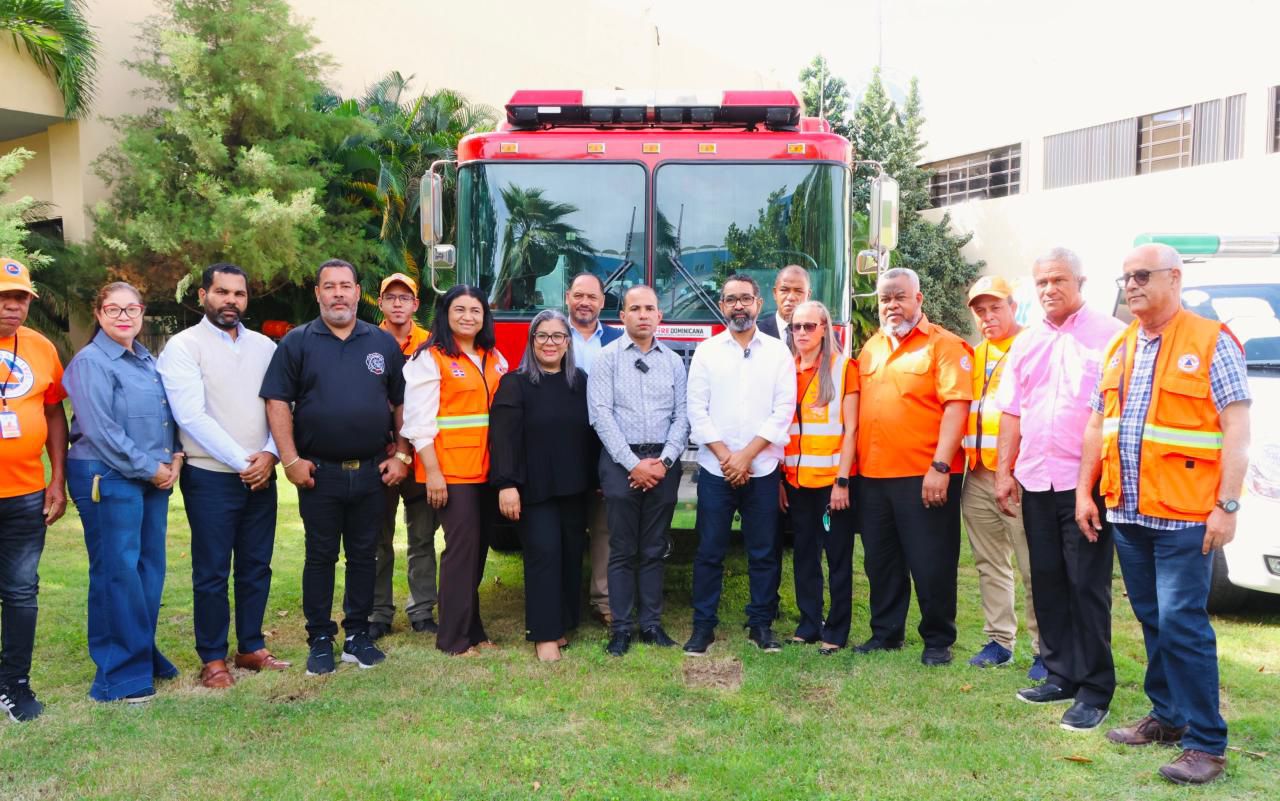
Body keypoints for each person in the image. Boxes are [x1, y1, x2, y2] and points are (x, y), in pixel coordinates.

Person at [1078, 244, 1249, 785]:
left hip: (1185, 518)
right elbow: (1095, 427)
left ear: (1174, 278)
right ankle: (1168, 717)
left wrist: (1227, 505)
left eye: (1142, 275)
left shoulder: (1210, 341)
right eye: (1125, 276)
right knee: (1154, 621)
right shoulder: (1121, 345)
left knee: (1183, 625)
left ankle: (1206, 744)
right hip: (1129, 514)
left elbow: (1238, 430)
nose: (1131, 285)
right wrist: (1086, 493)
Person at [994, 247, 1124, 732]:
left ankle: (1094, 689)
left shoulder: (1111, 336)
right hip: (1035, 479)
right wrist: (1005, 472)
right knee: (1045, 579)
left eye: (1058, 280)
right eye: (1041, 282)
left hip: (1084, 486)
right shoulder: (1026, 343)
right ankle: (1060, 672)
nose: (1049, 289)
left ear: (1080, 282)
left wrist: (1095, 486)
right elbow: (1011, 411)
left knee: (1086, 585)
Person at [261, 259, 409, 676]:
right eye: (330, 286)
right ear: (318, 293)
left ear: (359, 293)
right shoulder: (296, 342)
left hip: (371, 471)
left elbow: (401, 404)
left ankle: (357, 636)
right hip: (318, 473)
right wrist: (289, 460)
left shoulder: (382, 343)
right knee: (321, 556)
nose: (339, 294)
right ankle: (321, 638)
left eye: (346, 286)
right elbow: (276, 402)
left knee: (364, 554)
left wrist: (401, 454)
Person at [157, 263, 289, 690]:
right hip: (211, 476)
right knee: (212, 571)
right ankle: (212, 657)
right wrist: (244, 461)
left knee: (256, 565)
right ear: (203, 295)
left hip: (261, 474)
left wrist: (269, 455)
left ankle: (251, 646)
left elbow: (281, 405)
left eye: (239, 294)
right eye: (222, 292)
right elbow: (190, 416)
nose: (231, 301)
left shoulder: (266, 347)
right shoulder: (183, 346)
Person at [64, 282, 183, 703]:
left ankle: (142, 653)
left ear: (142, 312)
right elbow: (102, 431)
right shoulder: (91, 362)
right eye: (113, 310)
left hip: (154, 475)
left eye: (131, 309)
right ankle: (119, 676)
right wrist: (151, 468)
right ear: (98, 314)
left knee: (149, 570)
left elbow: (167, 417)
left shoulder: (146, 360)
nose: (123, 317)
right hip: (107, 476)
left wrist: (176, 458)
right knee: (118, 572)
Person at [856, 267, 972, 666]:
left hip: (926, 475)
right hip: (873, 478)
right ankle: (886, 633)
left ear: (918, 300)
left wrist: (940, 466)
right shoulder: (870, 348)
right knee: (880, 561)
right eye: (885, 299)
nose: (891, 305)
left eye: (899, 296)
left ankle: (938, 639)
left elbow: (957, 407)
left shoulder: (945, 346)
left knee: (931, 560)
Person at [684, 274, 796, 656]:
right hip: (717, 471)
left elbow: (784, 410)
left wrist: (746, 457)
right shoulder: (707, 351)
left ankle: (761, 624)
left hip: (762, 470)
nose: (738, 306)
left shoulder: (779, 352)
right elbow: (696, 411)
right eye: (731, 299)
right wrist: (726, 457)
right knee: (709, 551)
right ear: (722, 305)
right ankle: (703, 628)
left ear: (758, 304)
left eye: (745, 299)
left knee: (764, 552)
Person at [402, 285, 508, 656]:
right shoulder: (430, 359)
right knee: (461, 552)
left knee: (477, 552)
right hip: (451, 472)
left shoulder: (493, 357)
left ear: (485, 317)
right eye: (459, 309)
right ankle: (452, 638)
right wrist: (433, 473)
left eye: (475, 310)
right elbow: (418, 423)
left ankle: (473, 629)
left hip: (488, 472)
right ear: (445, 314)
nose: (468, 317)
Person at [490, 310, 597, 661]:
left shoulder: (580, 381)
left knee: (569, 556)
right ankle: (544, 634)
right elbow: (503, 439)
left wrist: (596, 479)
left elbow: (592, 435)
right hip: (532, 490)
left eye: (558, 336)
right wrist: (506, 485)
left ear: (568, 343)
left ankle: (563, 624)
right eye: (543, 336)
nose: (550, 343)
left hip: (574, 487)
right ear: (531, 341)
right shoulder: (515, 383)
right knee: (544, 556)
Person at [588, 285, 688, 657]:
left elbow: (683, 417)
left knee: (653, 548)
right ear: (622, 316)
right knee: (622, 549)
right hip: (619, 464)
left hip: (663, 464)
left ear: (659, 316)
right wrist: (633, 464)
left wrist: (663, 463)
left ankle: (651, 625)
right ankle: (621, 628)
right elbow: (601, 415)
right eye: (635, 308)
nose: (643, 314)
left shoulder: (674, 361)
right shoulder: (607, 359)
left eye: (650, 308)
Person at [959, 275, 1042, 678]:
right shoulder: (977, 355)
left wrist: (1012, 470)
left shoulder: (1031, 347)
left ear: (1012, 306)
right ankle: (999, 641)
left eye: (995, 307)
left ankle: (1046, 649)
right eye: (980, 310)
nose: (988, 316)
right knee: (990, 562)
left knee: (1033, 565)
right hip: (978, 474)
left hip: (1020, 476)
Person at [0, 258, 67, 722]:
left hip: (25, 493)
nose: (12, 306)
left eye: (20, 297)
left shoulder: (41, 348)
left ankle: (15, 685)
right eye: (4, 296)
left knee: (22, 592)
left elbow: (54, 413)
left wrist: (57, 479)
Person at [780, 301, 858, 655]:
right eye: (796, 327)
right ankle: (809, 623)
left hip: (832, 485)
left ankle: (837, 630)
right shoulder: (785, 370)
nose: (802, 333)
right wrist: (783, 479)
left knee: (838, 557)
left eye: (810, 326)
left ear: (825, 329)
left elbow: (852, 429)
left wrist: (842, 481)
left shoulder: (844, 369)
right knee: (804, 557)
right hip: (796, 484)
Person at [366, 272, 438, 639]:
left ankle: (422, 609)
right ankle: (379, 612)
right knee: (378, 537)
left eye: (404, 297)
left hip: (422, 453)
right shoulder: (367, 341)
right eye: (390, 297)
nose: (397, 303)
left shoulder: (432, 343)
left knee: (422, 536)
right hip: (382, 454)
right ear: (380, 303)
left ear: (414, 304)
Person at [565, 272, 622, 628]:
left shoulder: (618, 340)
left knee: (604, 527)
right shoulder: (550, 334)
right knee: (566, 525)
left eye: (592, 297)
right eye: (579, 295)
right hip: (563, 445)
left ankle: (603, 600)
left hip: (606, 444)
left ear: (603, 303)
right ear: (568, 298)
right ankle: (565, 599)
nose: (585, 302)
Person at [757, 264, 810, 342]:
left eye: (798, 291)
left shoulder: (822, 335)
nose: (791, 297)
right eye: (784, 290)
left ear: (808, 296)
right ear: (775, 293)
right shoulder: (757, 332)